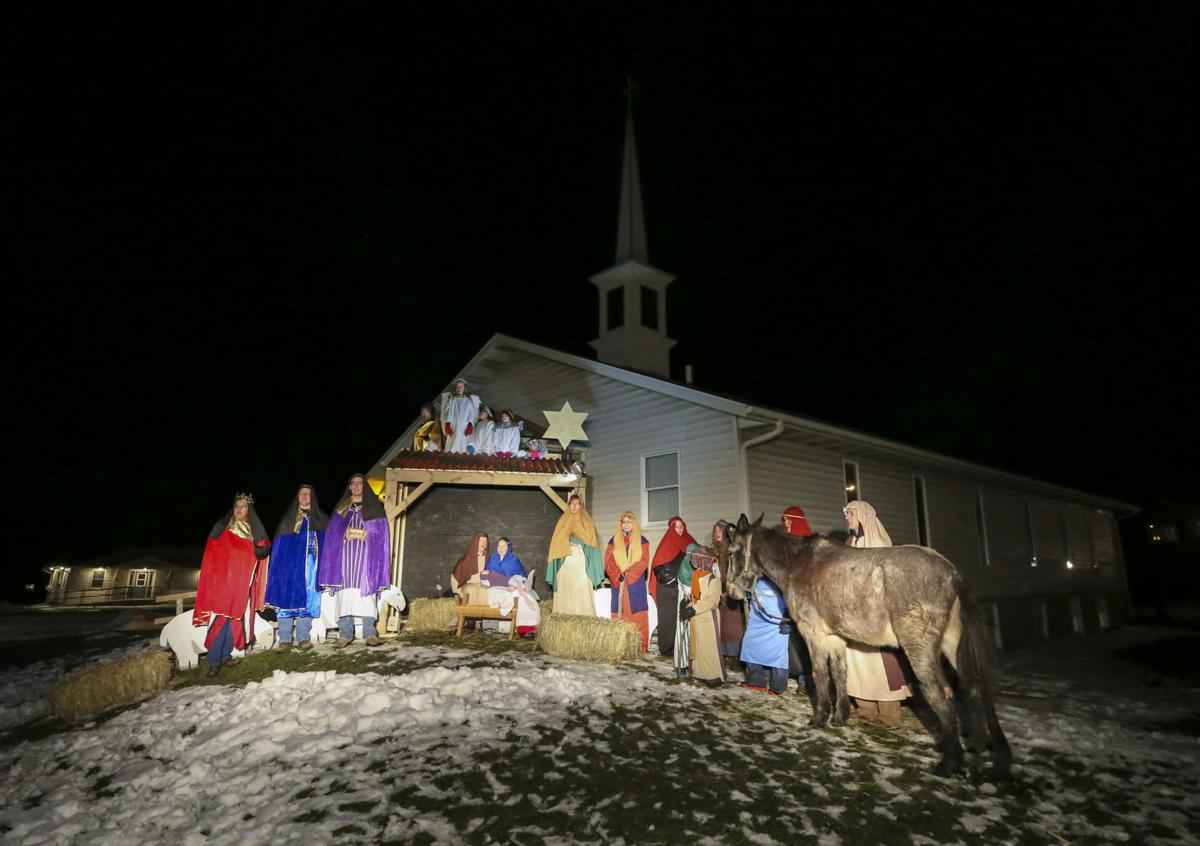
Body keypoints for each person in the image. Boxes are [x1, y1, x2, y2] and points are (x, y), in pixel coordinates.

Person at [843, 499, 910, 726]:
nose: (846, 517)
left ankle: (889, 714)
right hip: (854, 613)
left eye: (850, 513)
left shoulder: (881, 543)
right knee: (857, 660)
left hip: (876, 614)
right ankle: (865, 709)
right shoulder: (849, 543)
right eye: (846, 513)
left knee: (882, 663)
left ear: (862, 515)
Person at [193, 493, 272, 676]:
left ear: (249, 510)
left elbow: (262, 552)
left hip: (241, 583)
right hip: (222, 584)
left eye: (243, 506)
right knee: (221, 619)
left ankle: (226, 655)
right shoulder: (222, 528)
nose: (239, 510)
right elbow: (212, 554)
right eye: (236, 506)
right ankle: (213, 660)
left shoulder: (253, 530)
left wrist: (259, 546)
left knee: (234, 618)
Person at [318, 474, 391, 648]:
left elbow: (382, 535)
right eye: (354, 484)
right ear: (349, 487)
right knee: (345, 598)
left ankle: (370, 634)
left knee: (366, 598)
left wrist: (369, 535)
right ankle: (345, 634)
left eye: (360, 483)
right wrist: (343, 534)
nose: (357, 486)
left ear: (364, 487)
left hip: (365, 564)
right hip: (345, 563)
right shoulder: (342, 508)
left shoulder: (374, 507)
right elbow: (331, 533)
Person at [264, 484, 327, 652]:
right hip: (289, 570)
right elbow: (278, 548)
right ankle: (284, 640)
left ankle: (303, 638)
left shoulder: (321, 519)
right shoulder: (288, 520)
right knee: (286, 602)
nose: (305, 497)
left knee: (307, 602)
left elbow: (328, 546)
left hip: (311, 570)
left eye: (308, 494)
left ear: (312, 497)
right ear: (297, 498)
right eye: (302, 494)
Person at [545, 494, 603, 617]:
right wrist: (567, 540)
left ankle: (584, 616)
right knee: (566, 589)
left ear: (581, 505)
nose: (574, 506)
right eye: (572, 503)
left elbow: (591, 541)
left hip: (581, 562)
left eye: (577, 503)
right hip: (566, 563)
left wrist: (577, 541)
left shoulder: (587, 522)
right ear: (569, 505)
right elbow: (557, 541)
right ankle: (563, 615)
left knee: (580, 588)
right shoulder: (563, 521)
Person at [604, 511, 652, 651]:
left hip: (635, 583)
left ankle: (640, 645)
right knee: (619, 612)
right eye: (624, 522)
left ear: (634, 524)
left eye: (629, 522)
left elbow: (643, 561)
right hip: (618, 582)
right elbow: (608, 561)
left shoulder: (642, 541)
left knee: (637, 613)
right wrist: (617, 574)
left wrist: (628, 574)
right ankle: (619, 645)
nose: (626, 525)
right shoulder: (613, 541)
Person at [650, 516, 696, 657]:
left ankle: (684, 646)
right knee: (667, 617)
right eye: (676, 526)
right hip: (667, 588)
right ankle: (667, 648)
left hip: (685, 587)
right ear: (671, 528)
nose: (679, 529)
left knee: (683, 616)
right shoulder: (666, 543)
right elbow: (657, 565)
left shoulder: (690, 542)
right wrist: (668, 578)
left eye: (681, 526)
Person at [781, 507, 816, 691]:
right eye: (784, 520)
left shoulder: (807, 545)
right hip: (791, 597)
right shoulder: (787, 545)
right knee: (795, 641)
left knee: (807, 640)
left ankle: (810, 679)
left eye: (788, 520)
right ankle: (802, 677)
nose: (785, 523)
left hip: (807, 599)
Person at [679, 546, 725, 687]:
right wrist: (687, 602)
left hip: (708, 618)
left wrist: (693, 609)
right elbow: (696, 594)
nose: (693, 563)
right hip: (697, 617)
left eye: (696, 560)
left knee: (709, 646)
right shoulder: (697, 575)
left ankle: (713, 675)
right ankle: (699, 672)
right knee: (698, 646)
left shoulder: (713, 579)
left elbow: (710, 600)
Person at [711, 520, 745, 672]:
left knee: (734, 626)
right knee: (722, 625)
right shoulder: (714, 552)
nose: (718, 534)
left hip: (730, 592)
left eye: (720, 531)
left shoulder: (731, 551)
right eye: (716, 531)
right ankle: (723, 654)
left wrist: (728, 589)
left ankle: (735, 657)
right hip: (717, 591)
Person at [441, 379, 481, 453]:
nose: (459, 388)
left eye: (461, 386)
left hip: (464, 428)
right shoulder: (453, 400)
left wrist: (470, 425)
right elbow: (449, 413)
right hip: (454, 426)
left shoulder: (468, 401)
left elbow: (471, 415)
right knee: (452, 444)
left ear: (464, 388)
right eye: (457, 387)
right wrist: (447, 425)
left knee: (464, 445)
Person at [451, 532, 490, 605]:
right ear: (475, 542)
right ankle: (471, 615)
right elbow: (455, 578)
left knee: (484, 590)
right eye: (481, 541)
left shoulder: (490, 559)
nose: (483, 543)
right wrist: (459, 593)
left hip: (483, 585)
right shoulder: (466, 559)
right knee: (471, 589)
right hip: (469, 586)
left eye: (485, 541)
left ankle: (483, 615)